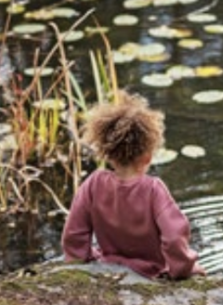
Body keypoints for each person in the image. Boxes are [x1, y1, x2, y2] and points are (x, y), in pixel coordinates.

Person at [62, 91, 205, 280]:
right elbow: (173, 237)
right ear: (147, 157)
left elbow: (74, 233)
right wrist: (181, 269)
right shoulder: (153, 190)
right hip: (150, 272)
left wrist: (81, 262)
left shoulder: (93, 183)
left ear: (108, 154)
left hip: (108, 266)